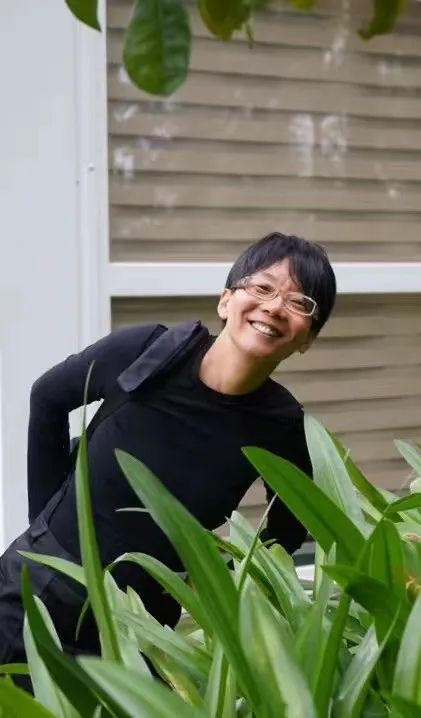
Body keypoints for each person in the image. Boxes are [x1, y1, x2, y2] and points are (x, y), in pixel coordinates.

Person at [0, 232, 336, 672]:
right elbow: (47, 397)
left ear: (307, 339)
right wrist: (44, 526)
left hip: (140, 635)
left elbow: (290, 526)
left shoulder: (282, 426)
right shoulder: (148, 353)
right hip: (35, 596)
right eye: (263, 287)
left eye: (300, 303)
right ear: (225, 301)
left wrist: (221, 586)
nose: (274, 306)